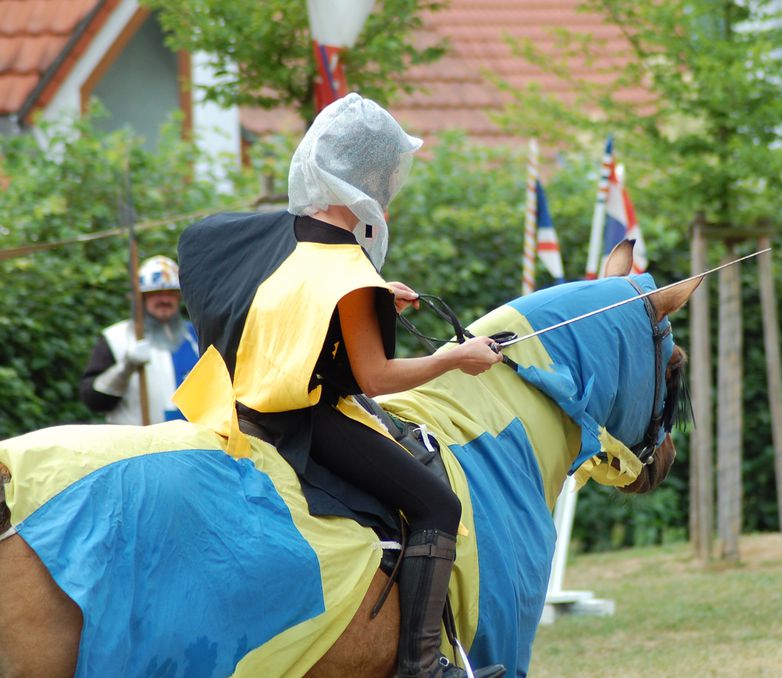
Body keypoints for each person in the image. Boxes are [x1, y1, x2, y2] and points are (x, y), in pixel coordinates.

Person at [173, 93, 505, 678]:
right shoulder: (349, 274)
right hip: (304, 425)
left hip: (234, 406)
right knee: (438, 503)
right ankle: (422, 665)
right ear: (374, 179)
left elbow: (270, 283)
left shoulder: (264, 236)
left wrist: (374, 293)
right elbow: (376, 378)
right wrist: (455, 358)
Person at [79, 255, 200, 425]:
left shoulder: (198, 335)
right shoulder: (116, 338)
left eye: (171, 293)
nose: (165, 300)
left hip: (193, 445)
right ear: (142, 298)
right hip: (139, 445)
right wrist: (125, 369)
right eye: (156, 293)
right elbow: (93, 400)